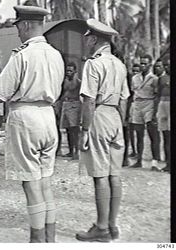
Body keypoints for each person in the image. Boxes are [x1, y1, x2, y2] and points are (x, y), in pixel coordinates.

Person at [0, 5, 64, 243]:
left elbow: (0, 93)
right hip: (48, 116)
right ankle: (50, 239)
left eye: (18, 27)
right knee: (45, 181)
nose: (17, 32)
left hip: (25, 117)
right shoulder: (55, 54)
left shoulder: (22, 55)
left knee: (31, 183)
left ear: (25, 25)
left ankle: (36, 241)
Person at [76, 19, 129, 242]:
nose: (86, 41)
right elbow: (125, 98)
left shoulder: (93, 63)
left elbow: (88, 100)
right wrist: (120, 123)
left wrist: (85, 130)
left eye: (87, 37)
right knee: (114, 175)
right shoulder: (120, 64)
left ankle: (101, 227)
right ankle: (112, 225)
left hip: (98, 115)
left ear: (95, 38)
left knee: (100, 175)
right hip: (115, 116)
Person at [129, 54, 160, 169]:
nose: (142, 66)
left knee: (153, 133)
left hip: (149, 103)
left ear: (150, 65)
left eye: (145, 64)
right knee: (138, 133)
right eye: (141, 63)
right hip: (137, 104)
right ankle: (139, 160)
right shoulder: (135, 78)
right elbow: (133, 93)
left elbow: (157, 95)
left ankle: (155, 162)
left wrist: (155, 112)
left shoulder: (154, 79)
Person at [59, 62, 81, 159]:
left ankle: (76, 151)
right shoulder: (64, 82)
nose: (68, 73)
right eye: (67, 71)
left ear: (75, 71)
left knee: (74, 130)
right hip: (66, 105)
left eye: (70, 71)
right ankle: (71, 151)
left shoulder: (78, 82)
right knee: (67, 130)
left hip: (75, 106)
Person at [154, 58, 170, 172]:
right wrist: (156, 111)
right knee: (165, 135)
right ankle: (167, 163)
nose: (167, 67)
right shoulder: (162, 78)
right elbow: (158, 95)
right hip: (162, 105)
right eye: (166, 65)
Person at [128, 64, 141, 159]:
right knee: (130, 129)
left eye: (137, 71)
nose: (135, 73)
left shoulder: (140, 81)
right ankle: (133, 150)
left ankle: (138, 151)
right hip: (130, 105)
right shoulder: (130, 81)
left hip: (138, 105)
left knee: (138, 130)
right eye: (134, 71)